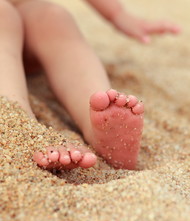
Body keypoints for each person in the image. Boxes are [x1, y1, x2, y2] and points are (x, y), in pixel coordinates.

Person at [0, 0, 180, 170]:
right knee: (4, 14)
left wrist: (118, 14)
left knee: (52, 17)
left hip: (23, 29)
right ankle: (18, 126)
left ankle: (98, 123)